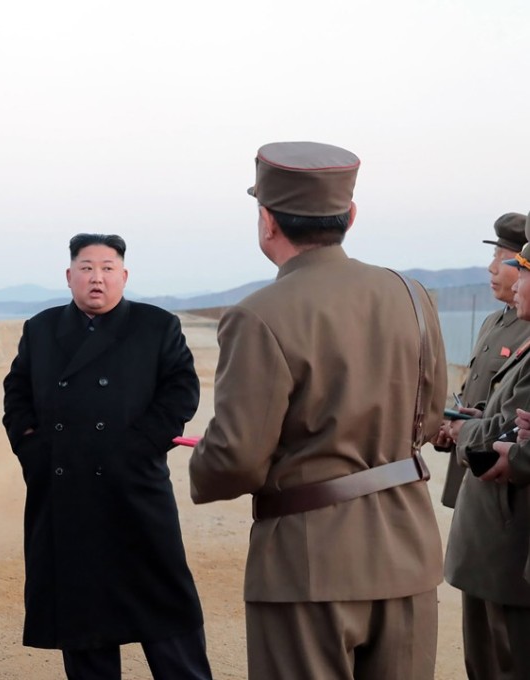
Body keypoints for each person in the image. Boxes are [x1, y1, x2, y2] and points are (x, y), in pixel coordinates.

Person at [189, 141, 448, 680]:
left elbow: (236, 458)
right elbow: (428, 420)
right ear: (350, 216)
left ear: (266, 221)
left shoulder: (257, 315)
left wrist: (202, 464)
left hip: (307, 564)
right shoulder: (412, 293)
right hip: (408, 548)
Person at [2, 233, 212, 679]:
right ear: (69, 275)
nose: (97, 278)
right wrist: (32, 447)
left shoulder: (156, 325)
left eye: (107, 268)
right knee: (83, 620)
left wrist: (139, 448)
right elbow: (16, 392)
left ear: (124, 275)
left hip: (134, 488)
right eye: (86, 268)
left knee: (166, 609)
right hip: (65, 493)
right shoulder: (41, 329)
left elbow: (181, 391)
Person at [446, 215, 530, 680]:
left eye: (515, 262)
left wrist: (471, 433)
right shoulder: (500, 323)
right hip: (488, 516)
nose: (500, 270)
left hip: (508, 528)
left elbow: (511, 436)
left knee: (506, 658)